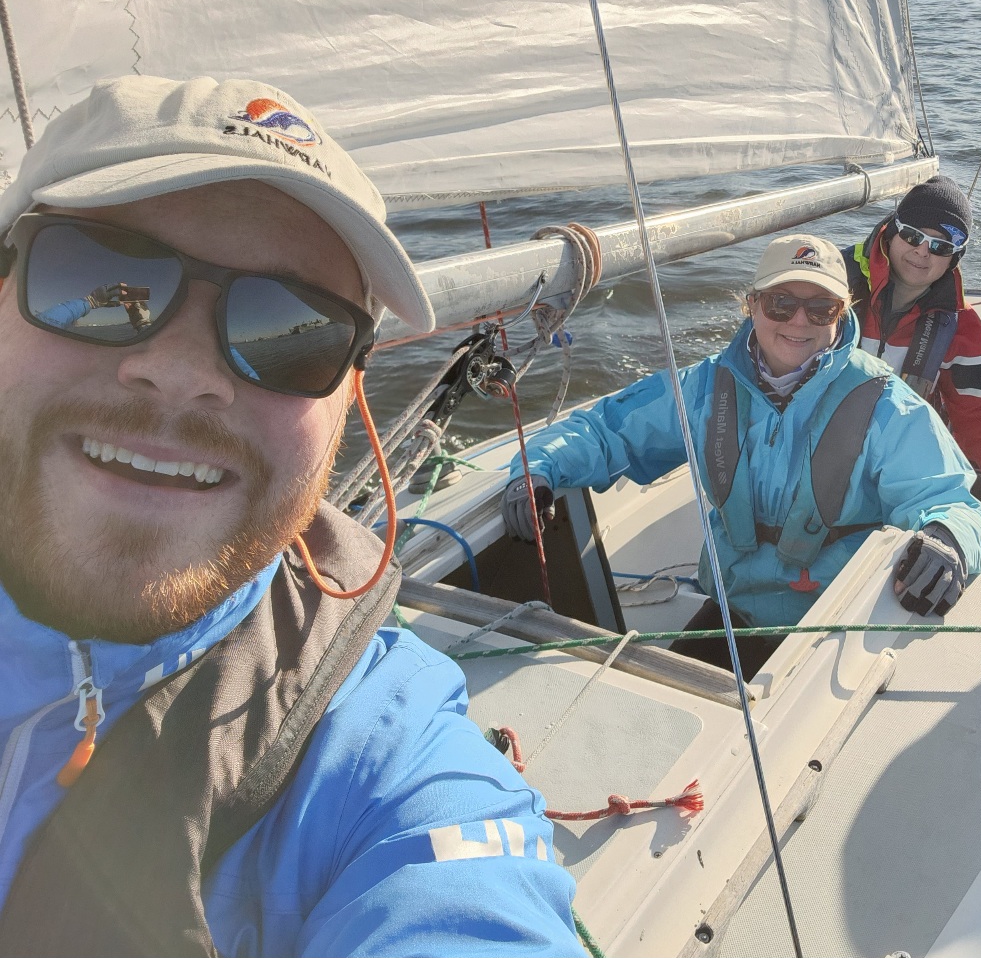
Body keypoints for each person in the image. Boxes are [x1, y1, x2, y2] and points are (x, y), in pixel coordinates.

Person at [0, 76, 579, 955]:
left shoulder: (387, 756)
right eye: (99, 277)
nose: (183, 371)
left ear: (350, 398)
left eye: (293, 330)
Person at [503, 233, 981, 674]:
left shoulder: (886, 403)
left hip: (835, 627)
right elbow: (606, 431)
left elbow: (956, 504)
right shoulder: (703, 387)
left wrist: (948, 538)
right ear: (752, 305)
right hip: (733, 607)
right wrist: (536, 470)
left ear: (842, 314)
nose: (798, 321)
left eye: (820, 309)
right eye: (781, 304)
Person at [843, 176, 981, 523]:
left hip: (894, 466)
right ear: (893, 231)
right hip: (815, 450)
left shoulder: (960, 328)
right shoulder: (832, 284)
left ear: (955, 257)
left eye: (941, 246)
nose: (922, 252)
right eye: (913, 236)